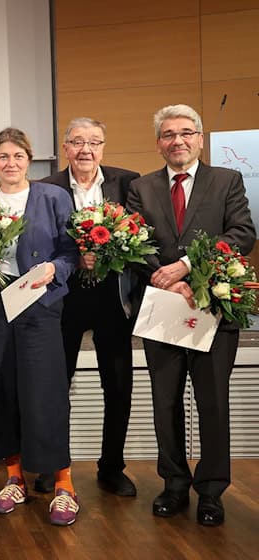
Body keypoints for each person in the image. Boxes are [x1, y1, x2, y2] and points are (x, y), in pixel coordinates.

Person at [127, 104, 255, 527]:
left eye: (185, 132)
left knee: (212, 404)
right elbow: (134, 245)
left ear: (200, 138)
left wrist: (187, 267)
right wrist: (168, 280)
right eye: (168, 134)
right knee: (164, 403)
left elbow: (242, 234)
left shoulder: (227, 180)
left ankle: (212, 491)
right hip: (163, 308)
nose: (177, 140)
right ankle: (174, 484)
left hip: (212, 309)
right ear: (159, 142)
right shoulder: (141, 188)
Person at [0, 128, 80, 525]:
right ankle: (14, 478)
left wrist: (55, 268)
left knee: (46, 393)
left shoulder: (53, 197)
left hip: (41, 307)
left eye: (18, 156)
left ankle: (64, 486)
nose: (11, 163)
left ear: (29, 160)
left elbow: (71, 251)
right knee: (3, 391)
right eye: (3, 156)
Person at [35, 117, 141, 496]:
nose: (86, 150)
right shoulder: (44, 189)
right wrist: (72, 258)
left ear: (103, 146)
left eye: (94, 142)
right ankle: (53, 465)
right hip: (62, 300)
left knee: (118, 386)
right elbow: (37, 244)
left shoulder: (128, 183)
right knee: (54, 386)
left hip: (113, 299)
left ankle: (111, 466)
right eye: (77, 142)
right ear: (65, 148)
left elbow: (143, 237)